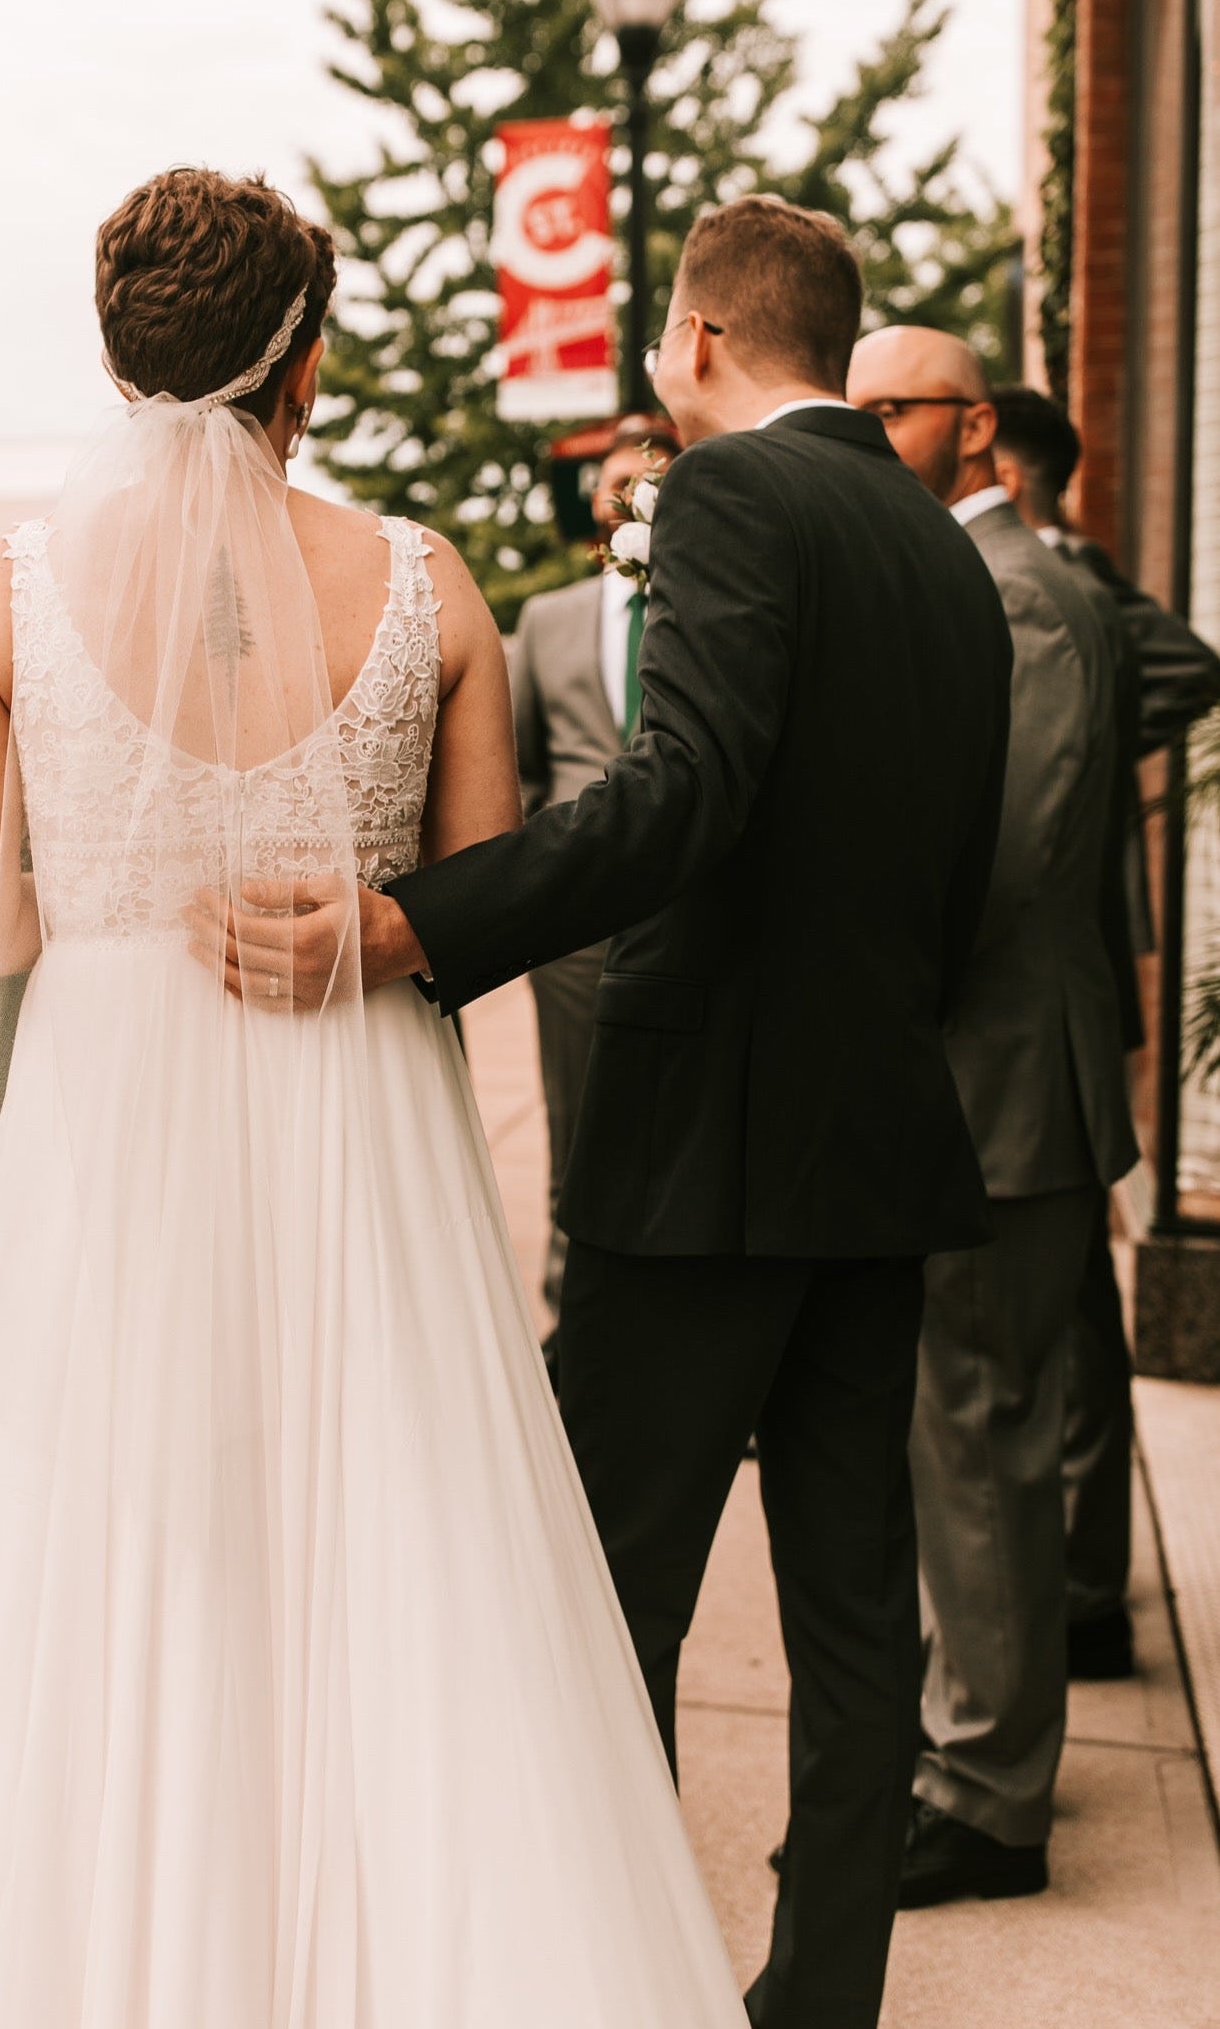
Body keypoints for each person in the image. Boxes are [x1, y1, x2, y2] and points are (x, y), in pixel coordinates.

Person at [0, 170, 748, 2029]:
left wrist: (108, 896)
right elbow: (475, 895)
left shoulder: (2, 592)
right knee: (399, 1535)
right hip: (360, 1120)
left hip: (107, 1124)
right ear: (304, 365)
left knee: (114, 1556)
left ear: (118, 355)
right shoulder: (424, 579)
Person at [231, 198, 1013, 2029]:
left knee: (600, 1597)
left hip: (708, 1157)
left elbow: (688, 789)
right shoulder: (940, 544)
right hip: (878, 1143)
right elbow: (954, 879)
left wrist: (422, 918)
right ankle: (822, 1998)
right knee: (848, 1609)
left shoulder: (731, 494)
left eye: (663, 344)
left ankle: (603, 1979)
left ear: (703, 342)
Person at [847, 330, 1136, 1906]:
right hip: (993, 1072)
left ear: (969, 426)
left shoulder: (1013, 590)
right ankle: (978, 1747)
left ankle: (986, 1796)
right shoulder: (980, 574)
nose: (861, 428)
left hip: (996, 1078)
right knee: (964, 1430)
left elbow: (996, 866)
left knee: (981, 1435)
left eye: (883, 406)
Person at [994, 383, 1220, 1680]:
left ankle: (1081, 1585)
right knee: (1063, 1297)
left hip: (1047, 980)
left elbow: (1191, 666)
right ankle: (1081, 1583)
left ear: (1008, 469)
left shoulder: (1054, 571)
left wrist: (1080, 736)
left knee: (1058, 1309)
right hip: (1060, 980)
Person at [514, 419, 680, 1312]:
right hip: (575, 921)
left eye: (649, 479)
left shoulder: (704, 605)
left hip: (690, 898)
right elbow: (523, 762)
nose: (627, 494)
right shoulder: (547, 620)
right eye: (616, 481)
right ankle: (567, 1309)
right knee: (572, 1112)